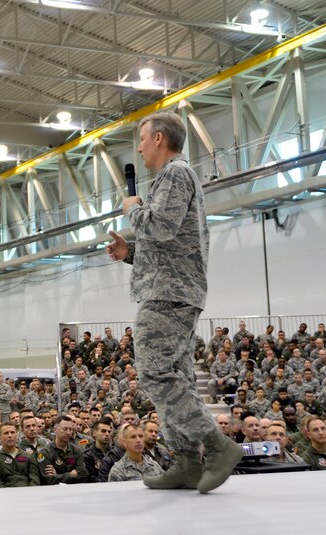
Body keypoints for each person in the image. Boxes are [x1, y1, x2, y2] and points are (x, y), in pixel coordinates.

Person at [106, 111, 241, 493]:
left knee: (153, 372)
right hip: (175, 286)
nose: (140, 146)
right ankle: (185, 461)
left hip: (168, 293)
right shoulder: (175, 178)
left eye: (144, 139)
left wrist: (131, 207)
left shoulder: (175, 174)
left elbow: (159, 227)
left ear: (160, 138)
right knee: (176, 376)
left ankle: (216, 445)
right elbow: (169, 240)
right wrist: (130, 251)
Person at [37, 416, 88, 485]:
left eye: (71, 429)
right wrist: (71, 475)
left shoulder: (76, 450)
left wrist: (57, 476)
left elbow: (83, 475)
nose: (68, 432)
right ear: (55, 430)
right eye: (65, 429)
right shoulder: (45, 452)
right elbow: (49, 479)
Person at [0, 422, 40, 488]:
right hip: (6, 495)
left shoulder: (28, 457)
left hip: (28, 493)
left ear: (17, 436)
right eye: (6, 433)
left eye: (12, 432)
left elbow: (35, 479)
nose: (10, 436)